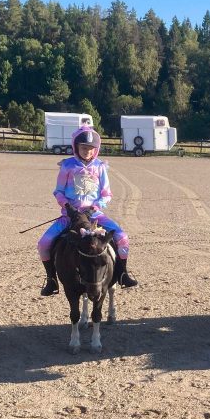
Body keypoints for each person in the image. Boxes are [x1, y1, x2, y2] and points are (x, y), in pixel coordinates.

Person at [37, 125, 139, 295]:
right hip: (70, 216)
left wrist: (94, 208)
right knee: (43, 244)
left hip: (95, 215)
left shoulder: (100, 167)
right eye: (84, 148)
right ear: (76, 147)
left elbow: (106, 194)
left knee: (122, 238)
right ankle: (51, 280)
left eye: (91, 148)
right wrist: (67, 207)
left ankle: (123, 274)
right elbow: (59, 191)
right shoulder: (67, 166)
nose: (87, 151)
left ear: (96, 149)